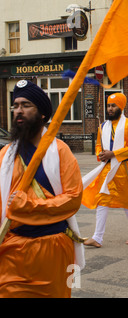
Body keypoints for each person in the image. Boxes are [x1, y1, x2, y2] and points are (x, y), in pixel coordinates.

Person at [0, 80, 84, 297]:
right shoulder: (5, 155)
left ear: (42, 114)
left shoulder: (60, 151)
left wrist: (29, 206)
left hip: (52, 248)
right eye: (15, 105)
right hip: (11, 248)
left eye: (26, 105)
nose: (18, 110)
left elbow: (73, 198)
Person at [82, 93, 128, 248]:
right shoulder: (103, 127)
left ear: (121, 107)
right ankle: (97, 237)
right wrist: (100, 155)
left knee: (127, 201)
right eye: (108, 105)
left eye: (113, 106)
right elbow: (98, 147)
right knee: (102, 200)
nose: (110, 109)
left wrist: (114, 153)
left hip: (124, 168)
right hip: (107, 168)